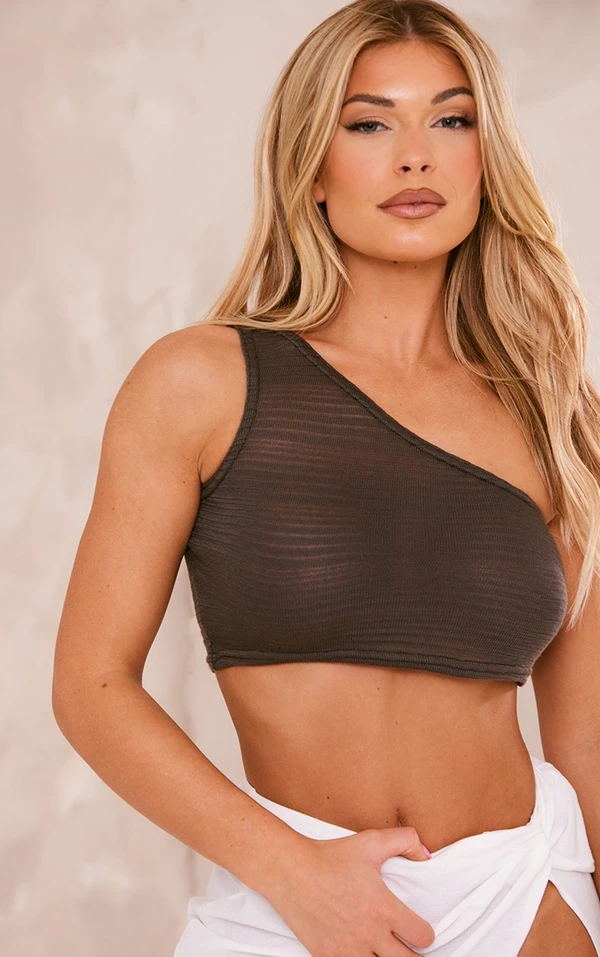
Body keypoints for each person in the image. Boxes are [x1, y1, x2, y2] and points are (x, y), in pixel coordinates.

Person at [51, 0, 600, 954]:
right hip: (289, 901)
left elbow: (586, 738)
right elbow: (91, 685)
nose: (416, 157)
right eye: (370, 124)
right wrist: (291, 871)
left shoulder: (556, 413)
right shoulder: (199, 382)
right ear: (311, 165)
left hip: (527, 901)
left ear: (486, 159)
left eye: (452, 119)